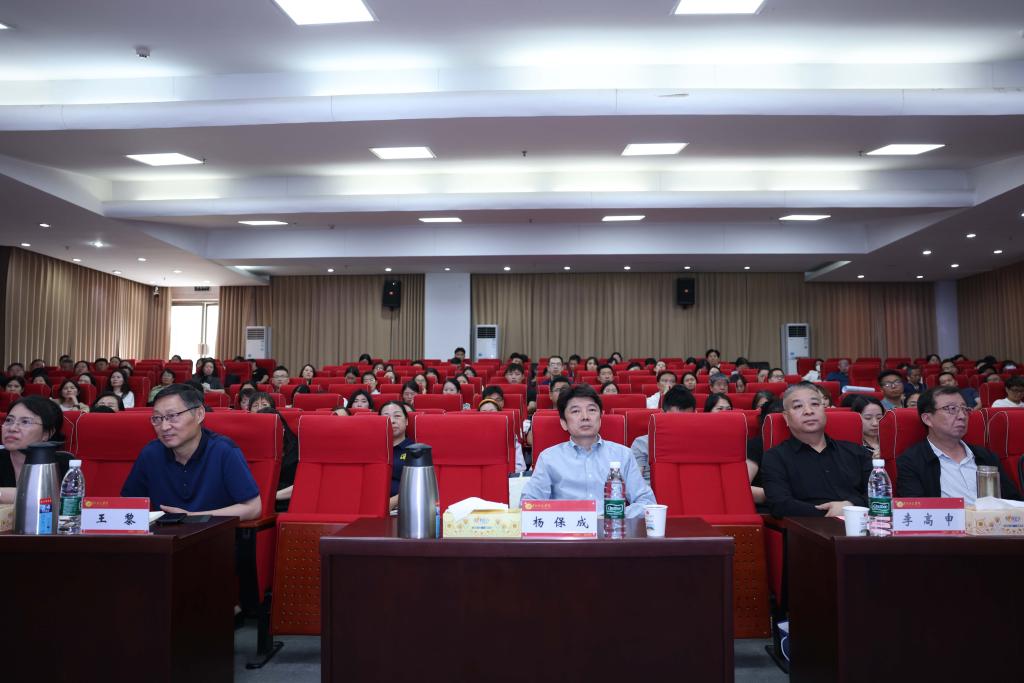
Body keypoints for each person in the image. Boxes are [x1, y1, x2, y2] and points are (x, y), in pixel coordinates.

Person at [120, 384, 261, 520]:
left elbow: (253, 508)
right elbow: (128, 505)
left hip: (214, 533)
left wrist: (193, 518)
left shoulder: (224, 451)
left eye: (173, 416)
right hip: (162, 535)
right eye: (157, 418)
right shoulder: (151, 454)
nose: (164, 427)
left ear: (199, 414)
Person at [521, 384, 656, 517]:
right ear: (564, 423)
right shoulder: (549, 458)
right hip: (567, 528)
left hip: (610, 527)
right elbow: (528, 503)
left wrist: (612, 515)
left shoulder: (623, 455)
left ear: (600, 418)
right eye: (576, 411)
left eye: (591, 410)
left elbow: (646, 502)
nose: (585, 417)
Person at [760, 383, 872, 517]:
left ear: (824, 410)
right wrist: (829, 513)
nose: (808, 411)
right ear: (786, 417)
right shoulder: (775, 457)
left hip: (862, 524)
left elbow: (879, 495)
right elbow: (780, 504)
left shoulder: (857, 452)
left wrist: (850, 506)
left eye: (815, 404)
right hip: (808, 527)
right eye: (798, 406)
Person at [895, 387, 1020, 503]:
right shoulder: (911, 461)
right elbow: (915, 509)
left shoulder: (986, 456)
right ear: (927, 419)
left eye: (964, 409)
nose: (962, 416)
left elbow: (1013, 501)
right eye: (951, 409)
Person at [0, 396, 70, 505]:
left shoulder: (64, 464)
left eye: (25, 422)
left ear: (47, 433)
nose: (12, 428)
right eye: (9, 420)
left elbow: (68, 503)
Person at [631, 386, 696, 484]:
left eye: (686, 419)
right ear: (662, 414)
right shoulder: (642, 443)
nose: (680, 425)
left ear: (695, 414)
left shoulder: (699, 443)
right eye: (674, 419)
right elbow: (635, 483)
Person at [248, 392, 299, 511]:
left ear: (283, 428)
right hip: (254, 501)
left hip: (285, 501)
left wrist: (271, 497)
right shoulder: (250, 448)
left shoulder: (296, 449)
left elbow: (303, 485)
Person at [746, 399, 785, 508]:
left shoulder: (804, 443)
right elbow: (742, 488)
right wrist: (780, 497)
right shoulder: (755, 446)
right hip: (767, 507)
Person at [380, 401, 414, 512]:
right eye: (386, 417)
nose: (392, 421)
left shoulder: (415, 450)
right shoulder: (371, 449)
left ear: (407, 421)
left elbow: (418, 486)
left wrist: (389, 503)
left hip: (403, 509)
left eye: (397, 416)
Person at [478, 399, 527, 472]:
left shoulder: (510, 436)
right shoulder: (471, 437)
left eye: (492, 412)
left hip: (505, 475)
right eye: (484, 412)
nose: (488, 415)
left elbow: (520, 467)